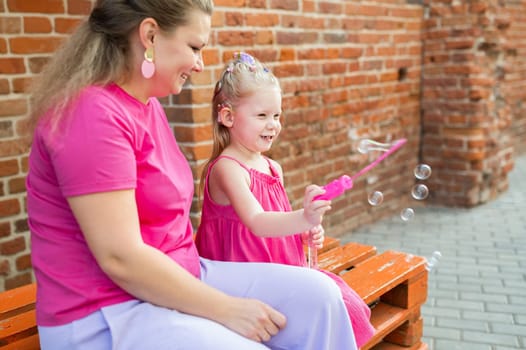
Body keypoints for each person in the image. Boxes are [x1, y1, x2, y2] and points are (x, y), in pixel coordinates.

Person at [25, 1, 359, 349]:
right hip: (107, 312)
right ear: (150, 35)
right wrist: (227, 309)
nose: (200, 65)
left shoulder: (147, 105)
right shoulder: (90, 114)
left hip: (183, 277)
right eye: (195, 47)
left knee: (321, 297)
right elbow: (120, 258)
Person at [194, 52, 375, 348]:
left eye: (276, 115)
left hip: (279, 265)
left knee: (345, 304)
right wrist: (302, 216)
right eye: (262, 115)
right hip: (243, 273)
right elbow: (257, 222)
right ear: (227, 117)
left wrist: (305, 230)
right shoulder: (227, 168)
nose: (273, 125)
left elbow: (278, 218)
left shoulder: (272, 167)